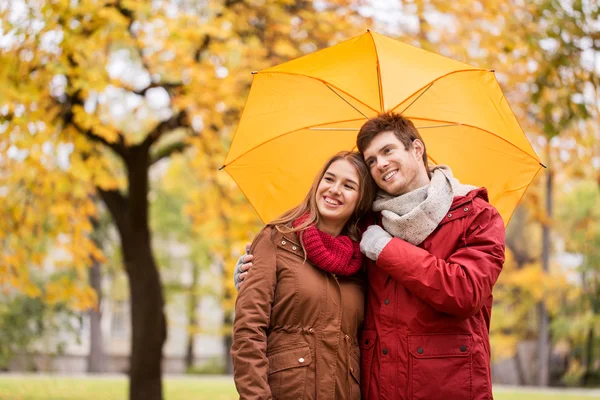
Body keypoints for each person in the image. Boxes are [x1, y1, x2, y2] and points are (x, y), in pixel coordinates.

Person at [235, 112, 506, 400]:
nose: (380, 164)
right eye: (372, 160)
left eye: (388, 150)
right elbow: (323, 280)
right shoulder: (367, 224)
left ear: (416, 149)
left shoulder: (476, 216)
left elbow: (465, 291)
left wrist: (387, 249)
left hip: (449, 387)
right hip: (379, 388)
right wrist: (260, 274)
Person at [230, 151, 377, 400]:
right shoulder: (276, 240)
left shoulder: (363, 261)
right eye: (329, 179)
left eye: (349, 185)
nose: (334, 190)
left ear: (361, 200)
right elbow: (248, 331)